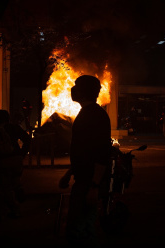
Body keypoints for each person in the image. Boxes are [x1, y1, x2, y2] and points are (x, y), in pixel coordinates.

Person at [59, 75, 111, 248]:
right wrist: (69, 173)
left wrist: (94, 187)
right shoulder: (86, 113)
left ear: (83, 91)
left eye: (76, 86)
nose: (72, 89)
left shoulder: (96, 115)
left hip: (88, 184)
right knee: (82, 228)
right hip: (84, 181)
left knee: (78, 231)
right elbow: (84, 151)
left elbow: (102, 153)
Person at [0, 109, 31, 218]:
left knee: (5, 186)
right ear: (8, 118)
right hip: (16, 160)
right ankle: (18, 190)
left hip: (2, 161)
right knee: (15, 180)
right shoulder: (14, 128)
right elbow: (27, 140)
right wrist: (22, 153)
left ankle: (14, 209)